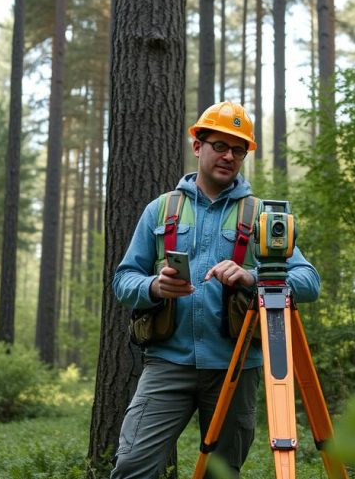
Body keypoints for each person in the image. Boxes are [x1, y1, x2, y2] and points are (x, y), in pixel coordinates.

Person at [110, 102, 321, 478]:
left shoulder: (262, 216)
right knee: (132, 467)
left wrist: (253, 277)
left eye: (237, 150)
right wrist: (155, 286)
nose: (228, 156)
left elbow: (308, 282)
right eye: (219, 146)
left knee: (221, 474)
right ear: (197, 146)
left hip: (236, 369)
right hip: (167, 365)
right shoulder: (161, 210)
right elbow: (124, 280)